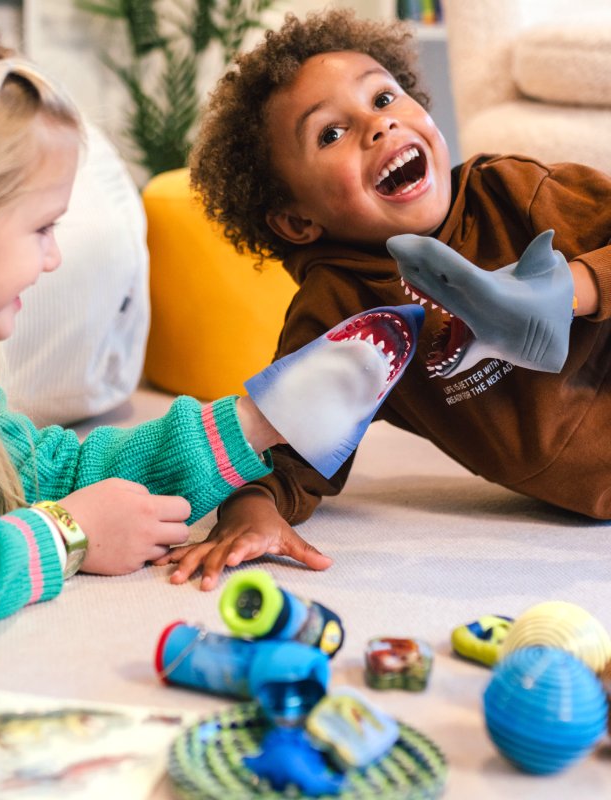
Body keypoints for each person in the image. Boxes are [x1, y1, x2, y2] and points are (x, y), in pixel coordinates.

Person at [0, 4, 289, 655]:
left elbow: (42, 469)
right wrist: (65, 534)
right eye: (40, 227)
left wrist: (256, 420)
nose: (53, 257)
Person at [156, 8, 611, 589]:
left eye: (383, 98)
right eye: (330, 133)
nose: (379, 127)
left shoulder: (513, 192)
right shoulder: (344, 310)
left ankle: (543, 302)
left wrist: (569, 289)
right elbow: (293, 443)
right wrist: (252, 512)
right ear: (297, 220)